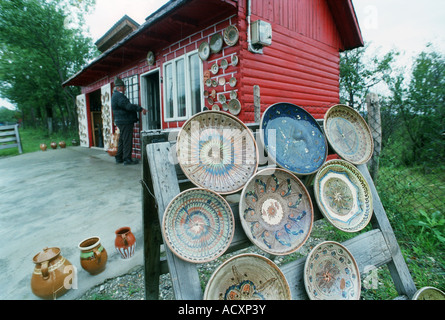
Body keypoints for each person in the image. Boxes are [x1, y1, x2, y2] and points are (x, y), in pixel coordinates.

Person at [111, 76, 147, 165]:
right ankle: (127, 159)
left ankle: (119, 157)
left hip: (120, 121)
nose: (125, 89)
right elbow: (128, 106)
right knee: (127, 140)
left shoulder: (115, 96)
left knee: (122, 140)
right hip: (125, 121)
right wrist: (140, 108)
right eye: (123, 87)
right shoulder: (119, 96)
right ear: (119, 87)